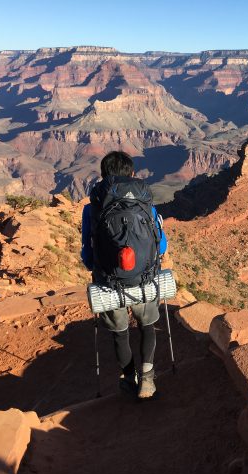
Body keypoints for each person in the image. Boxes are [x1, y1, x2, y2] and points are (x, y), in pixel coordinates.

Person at [80, 151, 167, 399]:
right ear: (131, 175)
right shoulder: (146, 205)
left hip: (109, 281)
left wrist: (96, 268)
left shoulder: (91, 209)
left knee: (120, 333)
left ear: (104, 176)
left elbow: (88, 251)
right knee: (148, 327)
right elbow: (161, 246)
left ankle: (129, 380)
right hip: (144, 278)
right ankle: (148, 381)